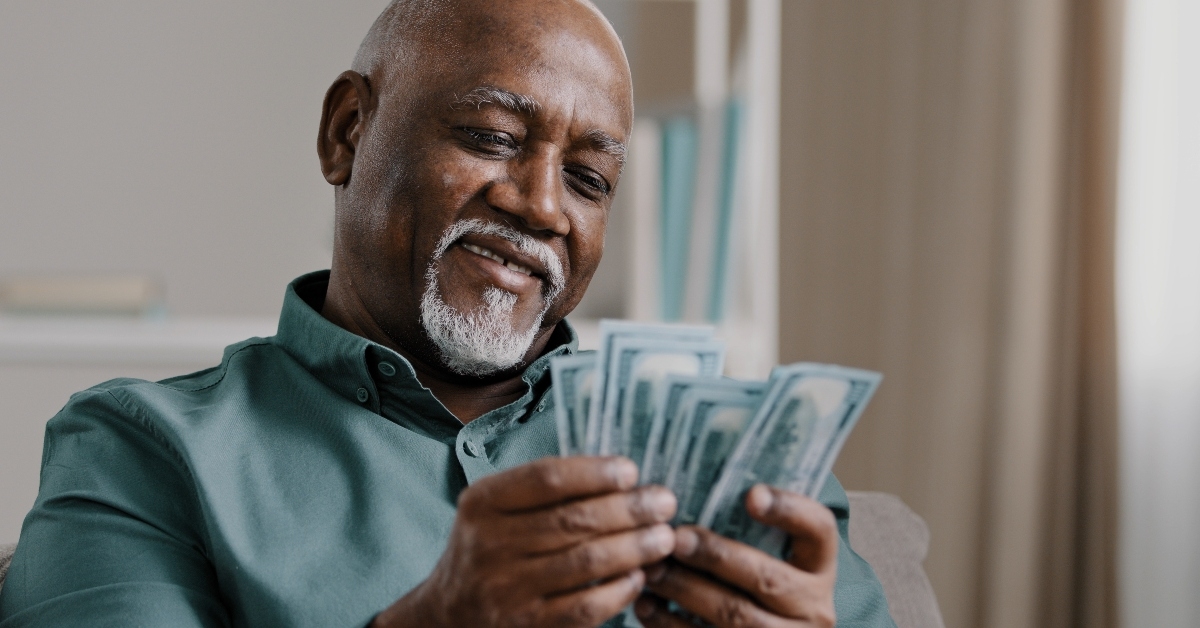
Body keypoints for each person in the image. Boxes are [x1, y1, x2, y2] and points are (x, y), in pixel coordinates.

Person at [0, 1, 895, 626]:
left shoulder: (747, 467)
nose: (543, 206)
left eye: (588, 179)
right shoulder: (135, 453)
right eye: (494, 138)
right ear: (347, 131)